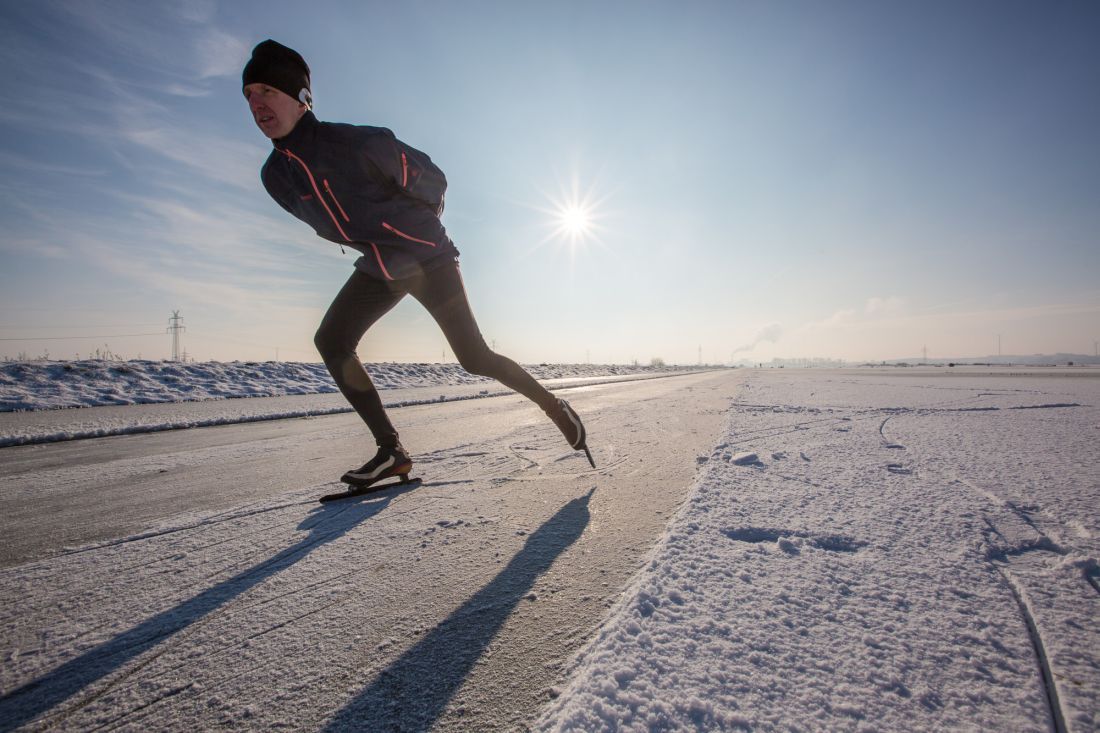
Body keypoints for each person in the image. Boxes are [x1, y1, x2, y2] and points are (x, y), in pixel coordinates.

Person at [242, 40, 593, 487]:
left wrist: (413, 231)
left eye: (267, 91)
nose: (256, 103)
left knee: (474, 357)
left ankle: (553, 406)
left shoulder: (359, 144)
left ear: (301, 97)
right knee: (332, 340)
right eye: (249, 94)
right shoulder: (276, 176)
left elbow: (433, 181)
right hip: (380, 265)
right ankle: (391, 452)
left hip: (427, 257)